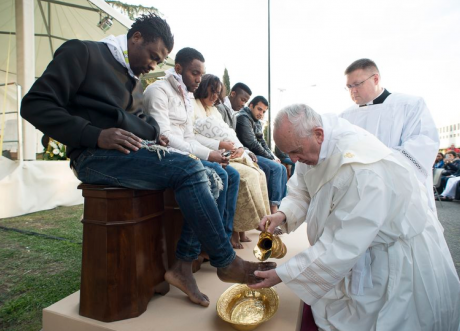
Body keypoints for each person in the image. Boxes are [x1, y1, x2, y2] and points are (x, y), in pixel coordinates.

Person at [20, 13, 275, 308]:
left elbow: (142, 123)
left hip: (131, 153)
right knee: (192, 169)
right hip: (93, 156)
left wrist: (157, 135)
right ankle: (225, 261)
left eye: (158, 61)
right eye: (153, 57)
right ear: (135, 37)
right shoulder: (83, 52)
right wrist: (95, 135)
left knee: (214, 175)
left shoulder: (134, 79)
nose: (153, 65)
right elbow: (35, 104)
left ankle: (182, 265)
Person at [250, 104, 460, 331]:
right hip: (355, 247)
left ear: (318, 134)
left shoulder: (362, 169)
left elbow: (342, 243)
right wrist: (283, 214)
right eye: (288, 153)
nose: (294, 159)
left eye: (295, 151)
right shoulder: (313, 142)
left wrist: (283, 274)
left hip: (388, 259)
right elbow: (304, 189)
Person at [143, 48, 241, 254]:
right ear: (178, 69)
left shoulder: (185, 97)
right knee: (220, 173)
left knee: (232, 173)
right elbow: (165, 138)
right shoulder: (157, 91)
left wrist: (211, 153)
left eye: (201, 75)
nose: (198, 79)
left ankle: (219, 237)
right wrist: (208, 154)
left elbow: (188, 138)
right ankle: (211, 245)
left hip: (185, 152)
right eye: (194, 73)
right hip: (165, 156)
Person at [339, 58, 439, 211]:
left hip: (401, 196)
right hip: (359, 197)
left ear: (376, 79)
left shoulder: (409, 105)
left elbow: (421, 146)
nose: (353, 90)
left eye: (357, 84)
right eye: (349, 86)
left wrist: (373, 171)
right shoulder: (345, 117)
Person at [192, 74, 270, 248]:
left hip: (229, 152)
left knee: (259, 173)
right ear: (203, 88)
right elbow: (192, 137)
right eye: (211, 92)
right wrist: (220, 145)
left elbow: (230, 134)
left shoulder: (214, 109)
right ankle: (233, 231)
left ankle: (262, 221)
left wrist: (242, 149)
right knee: (243, 176)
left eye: (217, 93)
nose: (214, 97)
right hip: (209, 153)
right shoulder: (192, 105)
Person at [236, 96, 287, 214]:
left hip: (256, 153)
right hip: (247, 154)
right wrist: (270, 158)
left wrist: (273, 156)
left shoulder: (256, 121)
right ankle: (272, 208)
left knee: (283, 168)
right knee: (275, 168)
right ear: (251, 106)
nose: (261, 113)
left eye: (264, 111)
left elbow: (262, 142)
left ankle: (280, 205)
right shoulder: (243, 118)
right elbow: (252, 144)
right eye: (259, 109)